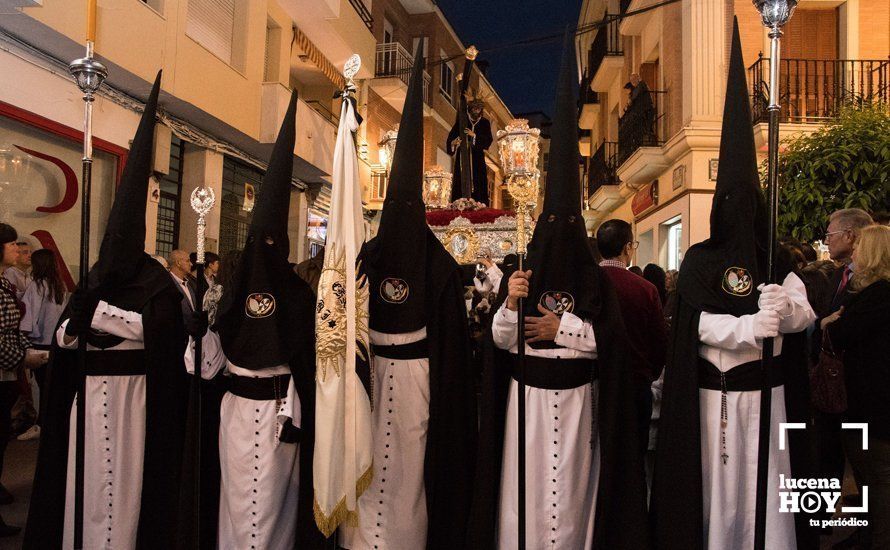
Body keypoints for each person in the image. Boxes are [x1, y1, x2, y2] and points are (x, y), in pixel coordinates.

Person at [468, 32, 649, 550]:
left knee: (572, 507)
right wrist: (508, 302)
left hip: (578, 410)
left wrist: (561, 328)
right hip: (525, 409)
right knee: (524, 507)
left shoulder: (595, 282)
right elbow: (501, 342)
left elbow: (611, 343)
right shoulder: (522, 276)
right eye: (553, 224)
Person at [652, 21, 817, 550]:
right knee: (713, 501)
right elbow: (694, 323)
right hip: (707, 404)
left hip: (765, 402)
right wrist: (748, 326)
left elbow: (803, 310)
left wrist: (784, 313)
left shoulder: (775, 258)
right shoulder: (699, 260)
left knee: (763, 498)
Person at [24, 72, 192, 549]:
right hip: (87, 397)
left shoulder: (156, 284)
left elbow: (164, 338)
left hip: (135, 401)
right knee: (85, 483)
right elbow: (63, 340)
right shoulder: (96, 277)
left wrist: (105, 320)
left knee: (127, 484)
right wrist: (77, 322)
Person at [340, 49, 476, 550]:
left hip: (417, 382)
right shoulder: (366, 255)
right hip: (368, 374)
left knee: (407, 472)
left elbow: (451, 351)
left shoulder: (437, 266)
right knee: (366, 466)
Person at [185, 91, 326, 549]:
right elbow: (203, 367)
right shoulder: (228, 292)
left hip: (279, 413)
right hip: (235, 412)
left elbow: (306, 363)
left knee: (270, 504)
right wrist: (201, 326)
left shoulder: (300, 295)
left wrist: (294, 410)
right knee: (235, 497)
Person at [821, 225, 890, 550]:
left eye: (861, 246)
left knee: (877, 480)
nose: (856, 253)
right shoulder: (874, 294)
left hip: (873, 406)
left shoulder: (878, 295)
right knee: (869, 478)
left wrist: (830, 324)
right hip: (870, 404)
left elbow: (840, 333)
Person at [815, 207, 874, 523]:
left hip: (861, 388)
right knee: (828, 455)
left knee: (865, 464)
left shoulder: (873, 283)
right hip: (831, 385)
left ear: (850, 236)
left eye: (830, 234)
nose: (826, 240)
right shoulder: (837, 273)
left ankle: (865, 527)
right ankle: (823, 520)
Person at [596, 220, 667, 455]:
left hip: (594, 382)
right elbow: (658, 343)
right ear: (627, 248)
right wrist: (649, 374)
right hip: (633, 383)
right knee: (633, 453)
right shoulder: (645, 289)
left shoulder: (588, 283)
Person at [0, 224, 45, 536]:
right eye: (13, 245)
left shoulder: (4, 283)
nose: (18, 250)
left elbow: (11, 331)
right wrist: (22, 357)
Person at [18, 248, 68, 441]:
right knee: (54, 387)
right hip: (55, 342)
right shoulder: (60, 285)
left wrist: (27, 337)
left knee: (41, 388)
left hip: (39, 343)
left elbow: (31, 316)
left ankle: (41, 425)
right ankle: (54, 426)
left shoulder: (37, 285)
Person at [448, 89, 494, 205]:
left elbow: (488, 140)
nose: (476, 110)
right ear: (470, 108)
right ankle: (460, 203)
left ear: (481, 110)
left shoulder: (484, 123)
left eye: (478, 108)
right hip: (463, 156)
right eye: (474, 108)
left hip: (477, 157)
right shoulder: (462, 120)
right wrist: (454, 143)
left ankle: (479, 204)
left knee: (479, 180)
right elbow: (451, 138)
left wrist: (474, 136)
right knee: (461, 178)